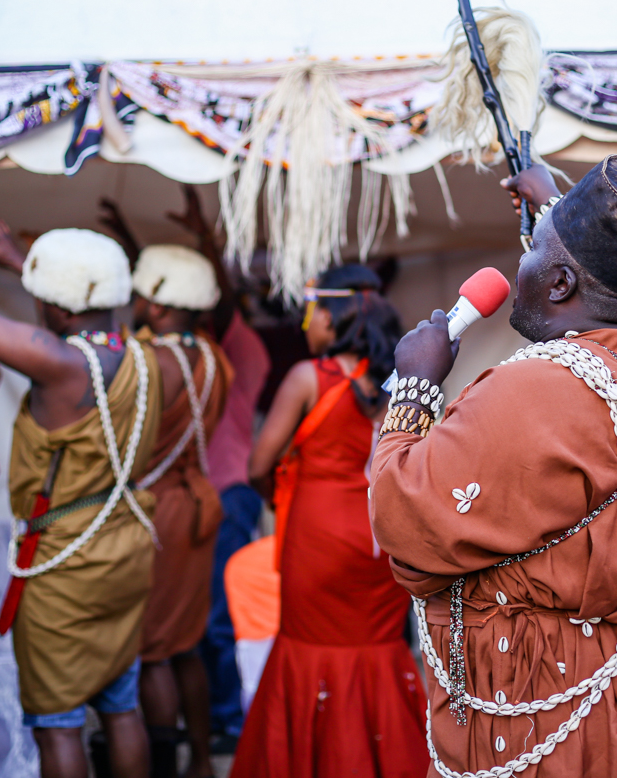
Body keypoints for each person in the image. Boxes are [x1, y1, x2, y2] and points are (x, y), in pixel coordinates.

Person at [370, 155, 617, 777]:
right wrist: (556, 206)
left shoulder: (532, 390)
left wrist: (416, 387)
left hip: (542, 712)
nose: (519, 265)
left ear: (559, 285)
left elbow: (402, 518)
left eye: (533, 256)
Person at [0, 203, 162, 778]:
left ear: (58, 304)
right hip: (125, 552)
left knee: (56, 720)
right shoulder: (144, 354)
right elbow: (78, 313)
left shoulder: (60, 363)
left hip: (65, 564)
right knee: (121, 709)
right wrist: (30, 267)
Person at [230, 265, 427, 778]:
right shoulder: (404, 384)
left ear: (335, 316)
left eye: (312, 312)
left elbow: (257, 465)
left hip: (314, 536)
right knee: (378, 649)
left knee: (307, 649)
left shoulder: (307, 378)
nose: (304, 325)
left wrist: (279, 497)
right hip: (381, 536)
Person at [100, 189, 272, 743]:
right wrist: (131, 239)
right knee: (186, 628)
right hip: (201, 494)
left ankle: (226, 721)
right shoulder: (191, 352)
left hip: (223, 493)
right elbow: (169, 295)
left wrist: (206, 240)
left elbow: (198, 297)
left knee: (211, 624)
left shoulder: (226, 345)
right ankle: (206, 732)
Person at [131, 244, 233, 778]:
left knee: (154, 650)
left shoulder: (147, 363)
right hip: (196, 505)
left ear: (159, 305)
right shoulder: (214, 358)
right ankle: (198, 758)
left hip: (157, 510)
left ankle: (164, 766)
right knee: (187, 643)